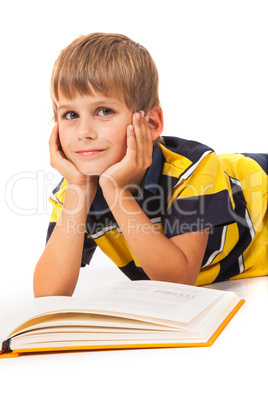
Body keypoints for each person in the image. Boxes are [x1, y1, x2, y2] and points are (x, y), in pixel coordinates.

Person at [33, 32, 268, 297]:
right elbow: (48, 295)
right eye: (70, 115)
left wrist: (116, 191)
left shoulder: (192, 170)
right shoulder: (73, 190)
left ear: (151, 123)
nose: (83, 132)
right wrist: (79, 190)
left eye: (104, 111)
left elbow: (178, 282)